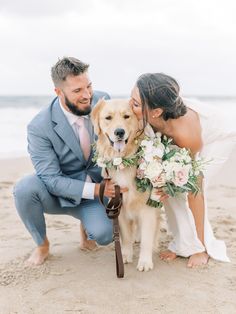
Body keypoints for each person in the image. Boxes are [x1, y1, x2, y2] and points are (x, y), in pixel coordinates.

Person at [13, 57, 126, 265]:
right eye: (77, 91)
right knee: (24, 189)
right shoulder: (39, 126)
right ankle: (42, 244)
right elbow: (50, 179)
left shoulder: (103, 102)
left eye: (89, 86)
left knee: (104, 235)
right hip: (57, 194)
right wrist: (99, 190)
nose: (87, 96)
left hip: (95, 187)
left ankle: (87, 227)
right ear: (58, 92)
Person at [130, 72, 236, 267]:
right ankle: (182, 244)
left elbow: (196, 190)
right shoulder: (153, 116)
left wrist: (202, 248)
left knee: (185, 187)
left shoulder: (186, 137)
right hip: (176, 131)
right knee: (167, 186)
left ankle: (200, 247)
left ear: (155, 112)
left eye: (136, 104)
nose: (130, 105)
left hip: (219, 136)